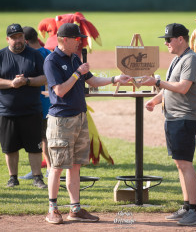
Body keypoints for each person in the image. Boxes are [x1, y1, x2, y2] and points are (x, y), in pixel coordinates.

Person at [44, 23, 131, 224]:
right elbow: (59, 91)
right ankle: (53, 209)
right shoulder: (52, 61)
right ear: (64, 39)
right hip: (61, 121)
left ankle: (75, 209)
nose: (80, 42)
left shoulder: (75, 58)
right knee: (57, 166)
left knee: (75, 166)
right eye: (77, 39)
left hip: (79, 118)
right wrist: (77, 73)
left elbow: (92, 81)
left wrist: (115, 78)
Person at [141, 23, 196, 226]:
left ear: (181, 39)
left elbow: (183, 88)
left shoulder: (191, 59)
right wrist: (156, 99)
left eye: (169, 39)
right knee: (180, 164)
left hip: (185, 118)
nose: (166, 43)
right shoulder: (178, 59)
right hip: (174, 117)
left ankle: (195, 211)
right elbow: (170, 88)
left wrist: (157, 82)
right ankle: (187, 207)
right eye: (165, 40)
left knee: (185, 164)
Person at [0, 23, 47, 189]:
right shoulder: (1, 55)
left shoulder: (34, 55)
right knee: (9, 148)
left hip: (31, 109)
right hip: (7, 111)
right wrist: (12, 83)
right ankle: (13, 177)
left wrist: (27, 81)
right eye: (13, 38)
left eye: (20, 36)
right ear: (8, 39)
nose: (17, 40)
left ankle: (37, 177)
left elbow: (45, 78)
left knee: (34, 147)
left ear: (24, 38)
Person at [19, 26, 51, 180]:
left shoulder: (29, 56)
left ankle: (46, 170)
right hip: (50, 102)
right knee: (43, 138)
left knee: (41, 139)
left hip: (37, 103)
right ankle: (40, 169)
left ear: (25, 41)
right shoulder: (49, 53)